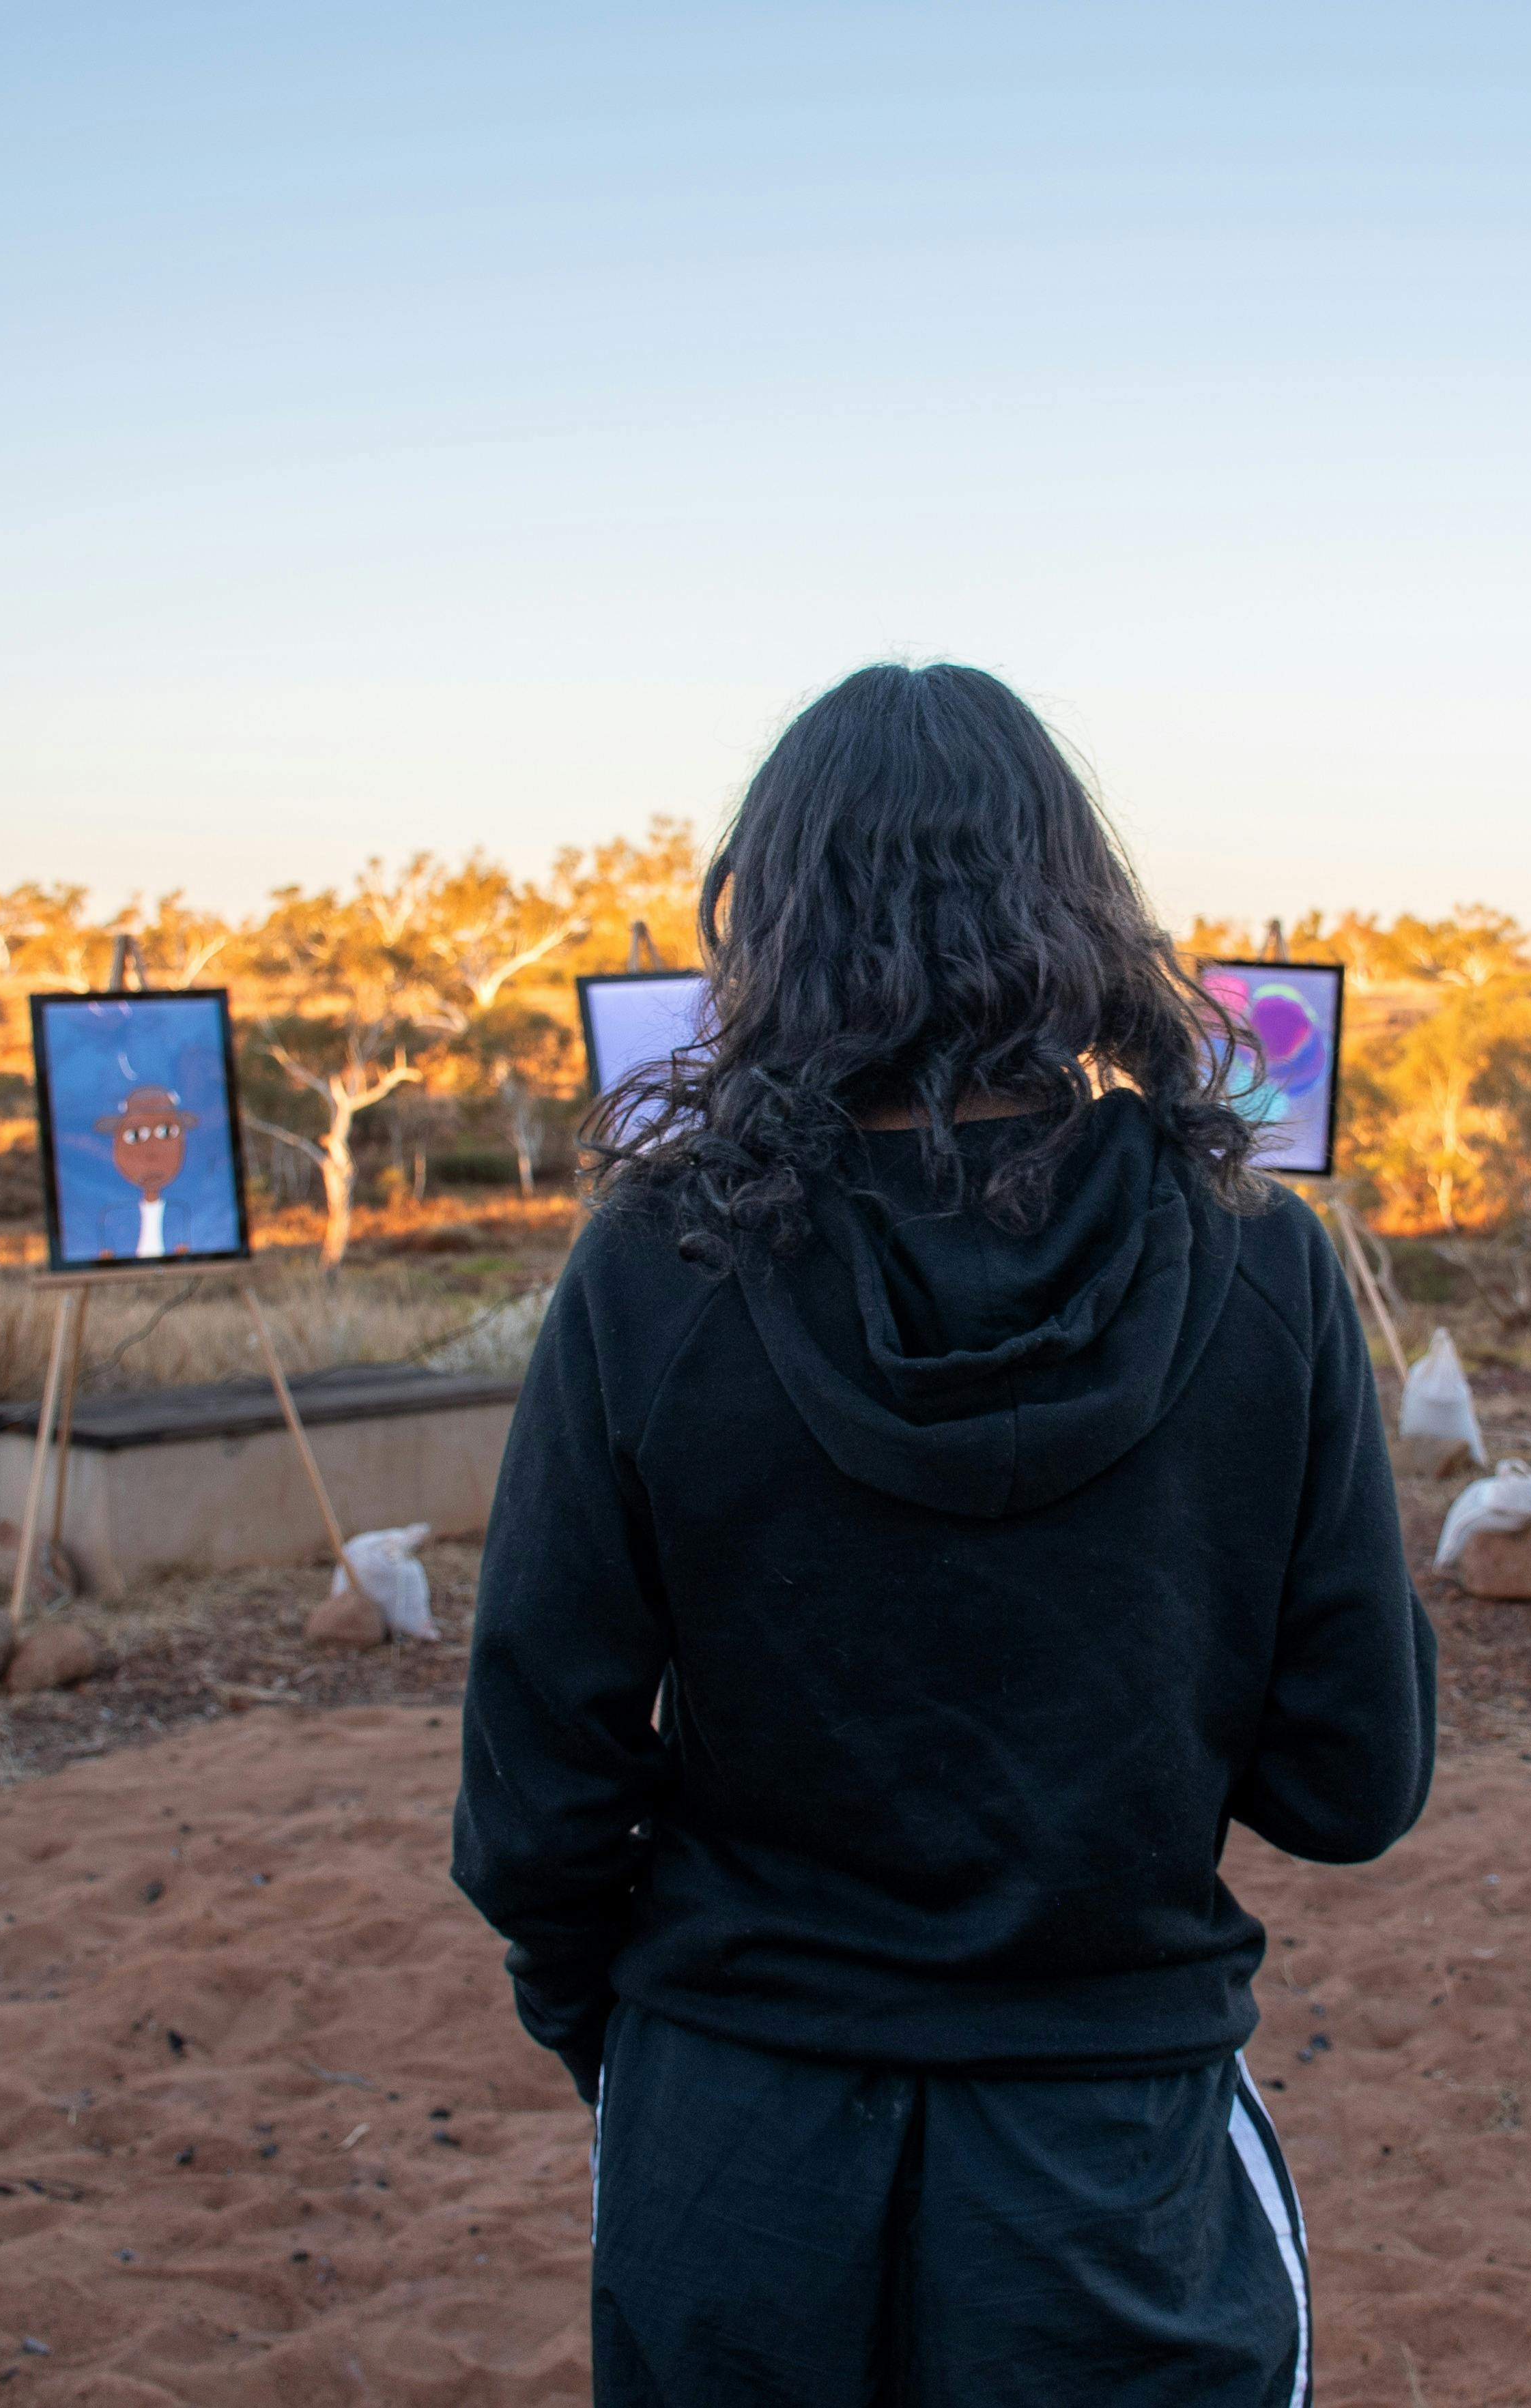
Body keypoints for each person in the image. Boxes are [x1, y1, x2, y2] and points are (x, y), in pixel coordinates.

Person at [451, 661, 1437, 2405]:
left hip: (731, 2142)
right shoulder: (1260, 1270)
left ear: (775, 923)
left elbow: (534, 1793)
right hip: (1111, 2169)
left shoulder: (658, 1269)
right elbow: (1350, 1783)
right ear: (1074, 906)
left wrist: (638, 2040)